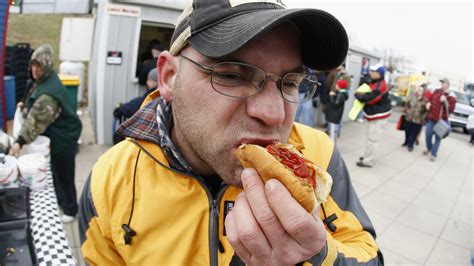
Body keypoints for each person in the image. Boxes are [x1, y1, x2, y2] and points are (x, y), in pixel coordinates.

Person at [78, 1, 383, 265]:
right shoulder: (110, 180)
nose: (274, 115)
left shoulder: (317, 154)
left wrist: (319, 257)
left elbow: (368, 253)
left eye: (290, 83)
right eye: (232, 75)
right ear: (169, 77)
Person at [9, 44, 82, 223]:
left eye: (39, 67)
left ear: (46, 68)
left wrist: (19, 142)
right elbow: (33, 95)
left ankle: (71, 210)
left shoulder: (49, 95)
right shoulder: (44, 80)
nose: (35, 70)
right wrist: (23, 105)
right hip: (56, 134)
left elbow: (35, 123)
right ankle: (60, 201)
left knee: (64, 173)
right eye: (33, 66)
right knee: (56, 171)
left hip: (65, 136)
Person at [355, 63, 391, 168]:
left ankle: (368, 161)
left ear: (379, 74)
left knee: (372, 139)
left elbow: (370, 99)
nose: (370, 72)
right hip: (376, 115)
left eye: (373, 71)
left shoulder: (381, 85)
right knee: (371, 138)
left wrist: (359, 95)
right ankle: (368, 156)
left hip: (379, 116)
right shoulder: (376, 81)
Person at [113, 68, 159, 144]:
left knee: (118, 134)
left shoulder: (154, 94)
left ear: (156, 81)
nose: (147, 82)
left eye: (149, 80)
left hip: (146, 138)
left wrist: (120, 109)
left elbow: (137, 105)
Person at [423, 78, 456, 161]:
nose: (441, 84)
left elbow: (451, 109)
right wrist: (428, 104)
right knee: (428, 134)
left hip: (442, 121)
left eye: (443, 82)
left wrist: (445, 101)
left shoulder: (451, 96)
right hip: (432, 118)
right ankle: (429, 148)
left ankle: (433, 154)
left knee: (438, 138)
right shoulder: (437, 91)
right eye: (441, 82)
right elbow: (430, 99)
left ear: (447, 84)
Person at [402, 83, 428, 151]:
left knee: (414, 133)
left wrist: (422, 118)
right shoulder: (412, 97)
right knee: (407, 131)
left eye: (421, 91)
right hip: (409, 117)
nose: (419, 91)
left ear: (423, 92)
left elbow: (426, 111)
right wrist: (407, 111)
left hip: (418, 120)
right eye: (418, 90)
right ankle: (406, 141)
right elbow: (407, 105)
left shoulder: (425, 101)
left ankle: (410, 145)